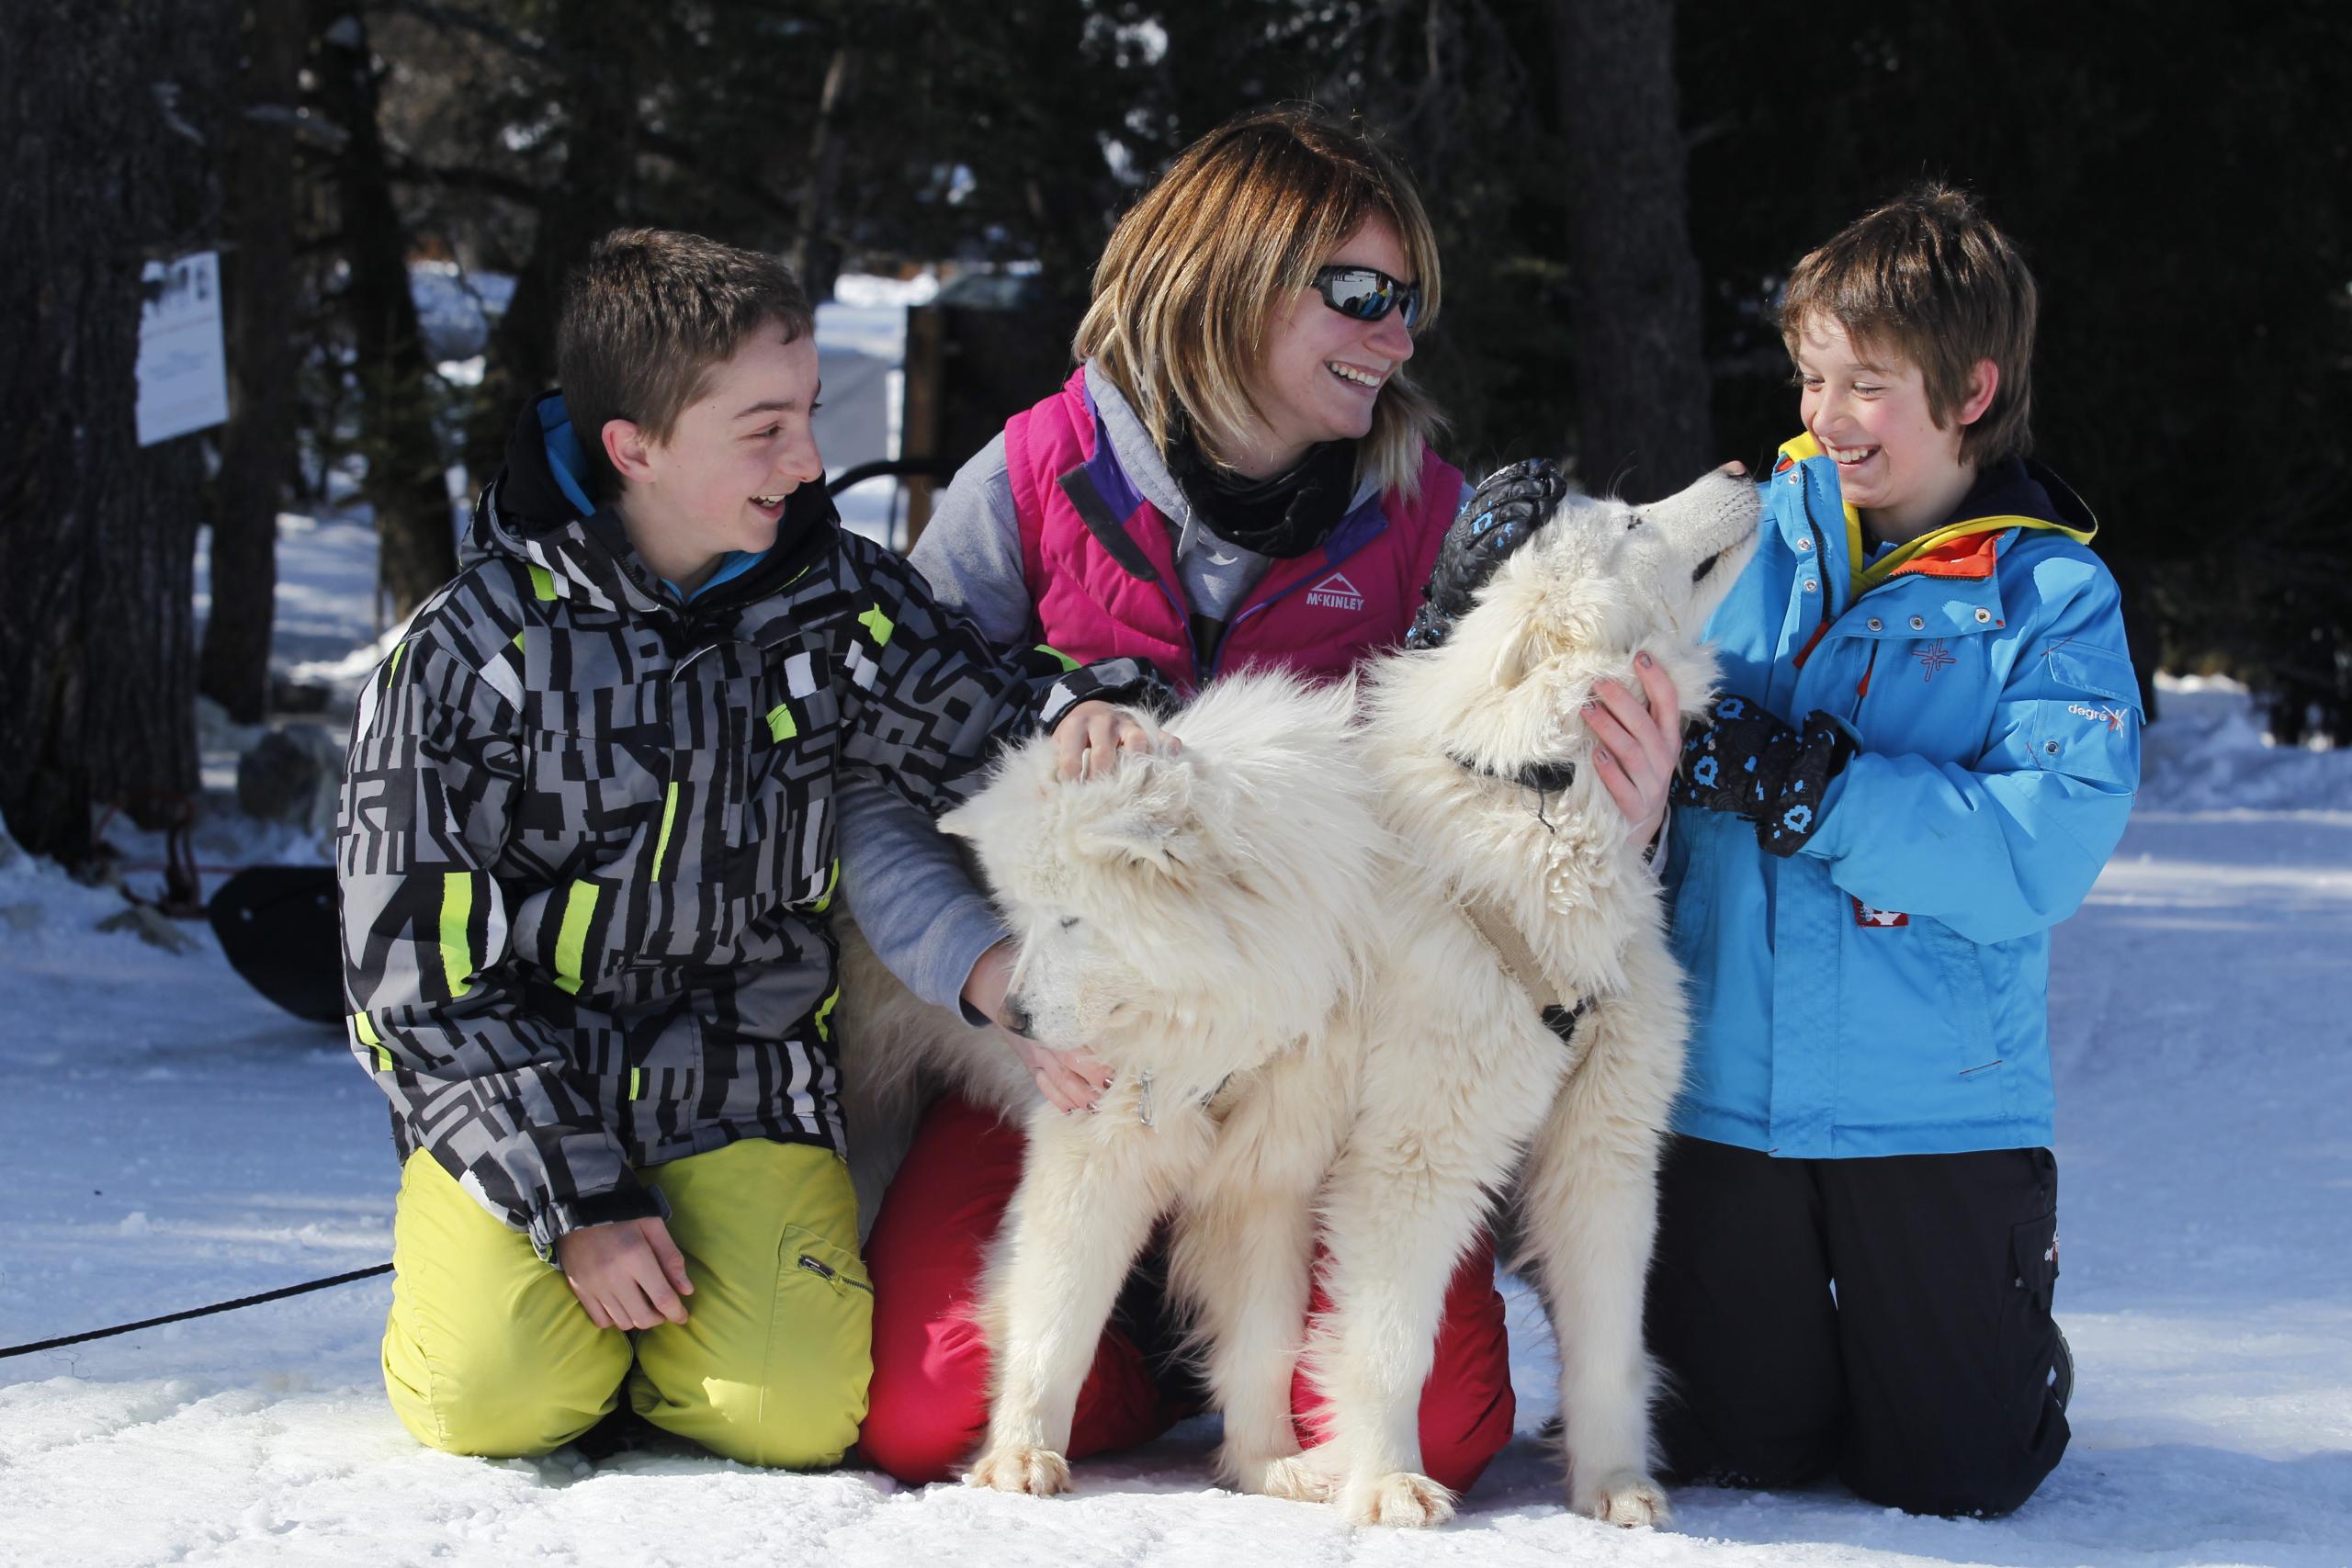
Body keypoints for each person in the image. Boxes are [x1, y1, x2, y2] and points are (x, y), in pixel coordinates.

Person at [840, 104, 1685, 1491]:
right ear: (1227, 275)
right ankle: (1153, 1324)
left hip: (1324, 1074)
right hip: (1084, 1059)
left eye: (1410, 302)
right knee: (934, 1412)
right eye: (1358, 293)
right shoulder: (1035, 479)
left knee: (1440, 1432)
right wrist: (993, 977)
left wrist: (1622, 818)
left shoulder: (1431, 521)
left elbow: (1510, 812)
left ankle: (1207, 1331)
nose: (1398, 336)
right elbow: (877, 777)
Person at [336, 229, 1155, 1468]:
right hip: (535, 1092)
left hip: (739, 1076)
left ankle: (662, 1331)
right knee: (494, 1398)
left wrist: (1081, 717)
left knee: (790, 1412)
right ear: (637, 448)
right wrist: (580, 1204)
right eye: (764, 429)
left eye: (810, 414)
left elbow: (972, 707)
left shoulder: (838, 600)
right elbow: (416, 982)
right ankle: (532, 1289)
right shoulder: (470, 653)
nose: (811, 459)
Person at [1652, 186, 2141, 1516]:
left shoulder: (2050, 595)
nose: (1824, 415)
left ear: (1972, 389)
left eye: (1867, 385)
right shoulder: (1745, 543)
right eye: (1814, 376)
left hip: (1935, 1103)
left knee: (1958, 1477)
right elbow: (1595, 682)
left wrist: (1824, 795)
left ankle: (1997, 1355)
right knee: (1731, 1452)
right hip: (1728, 1099)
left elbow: (2041, 848)